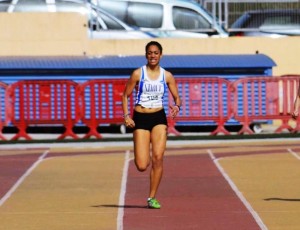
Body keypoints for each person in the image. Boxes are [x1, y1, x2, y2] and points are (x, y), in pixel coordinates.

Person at [122, 41, 181, 209]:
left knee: (158, 158)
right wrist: (126, 115)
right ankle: (143, 160)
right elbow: (125, 96)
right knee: (142, 165)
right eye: (150, 53)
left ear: (160, 55)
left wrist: (177, 106)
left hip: (158, 117)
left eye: (156, 53)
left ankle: (152, 197)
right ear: (146, 55)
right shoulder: (137, 74)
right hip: (140, 117)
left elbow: (177, 97)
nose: (153, 55)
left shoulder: (167, 75)